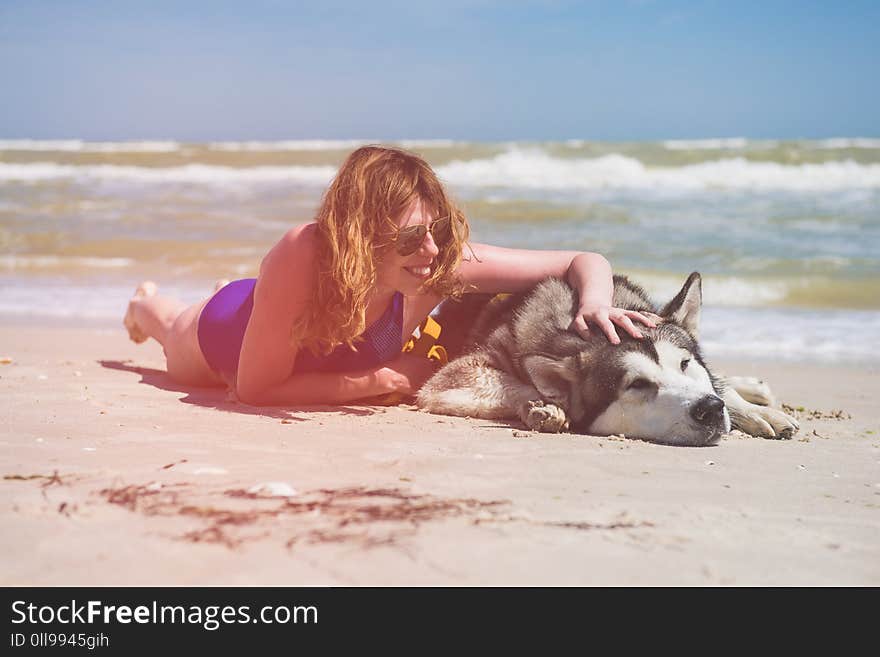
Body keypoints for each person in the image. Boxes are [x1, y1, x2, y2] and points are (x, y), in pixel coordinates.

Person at [123, 145, 657, 406]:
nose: (430, 250)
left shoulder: (437, 265)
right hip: (224, 335)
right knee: (171, 334)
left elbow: (583, 260)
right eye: (408, 238)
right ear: (360, 234)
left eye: (438, 230)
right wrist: (386, 378)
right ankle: (144, 304)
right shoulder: (301, 253)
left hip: (272, 316)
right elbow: (256, 389)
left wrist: (594, 304)